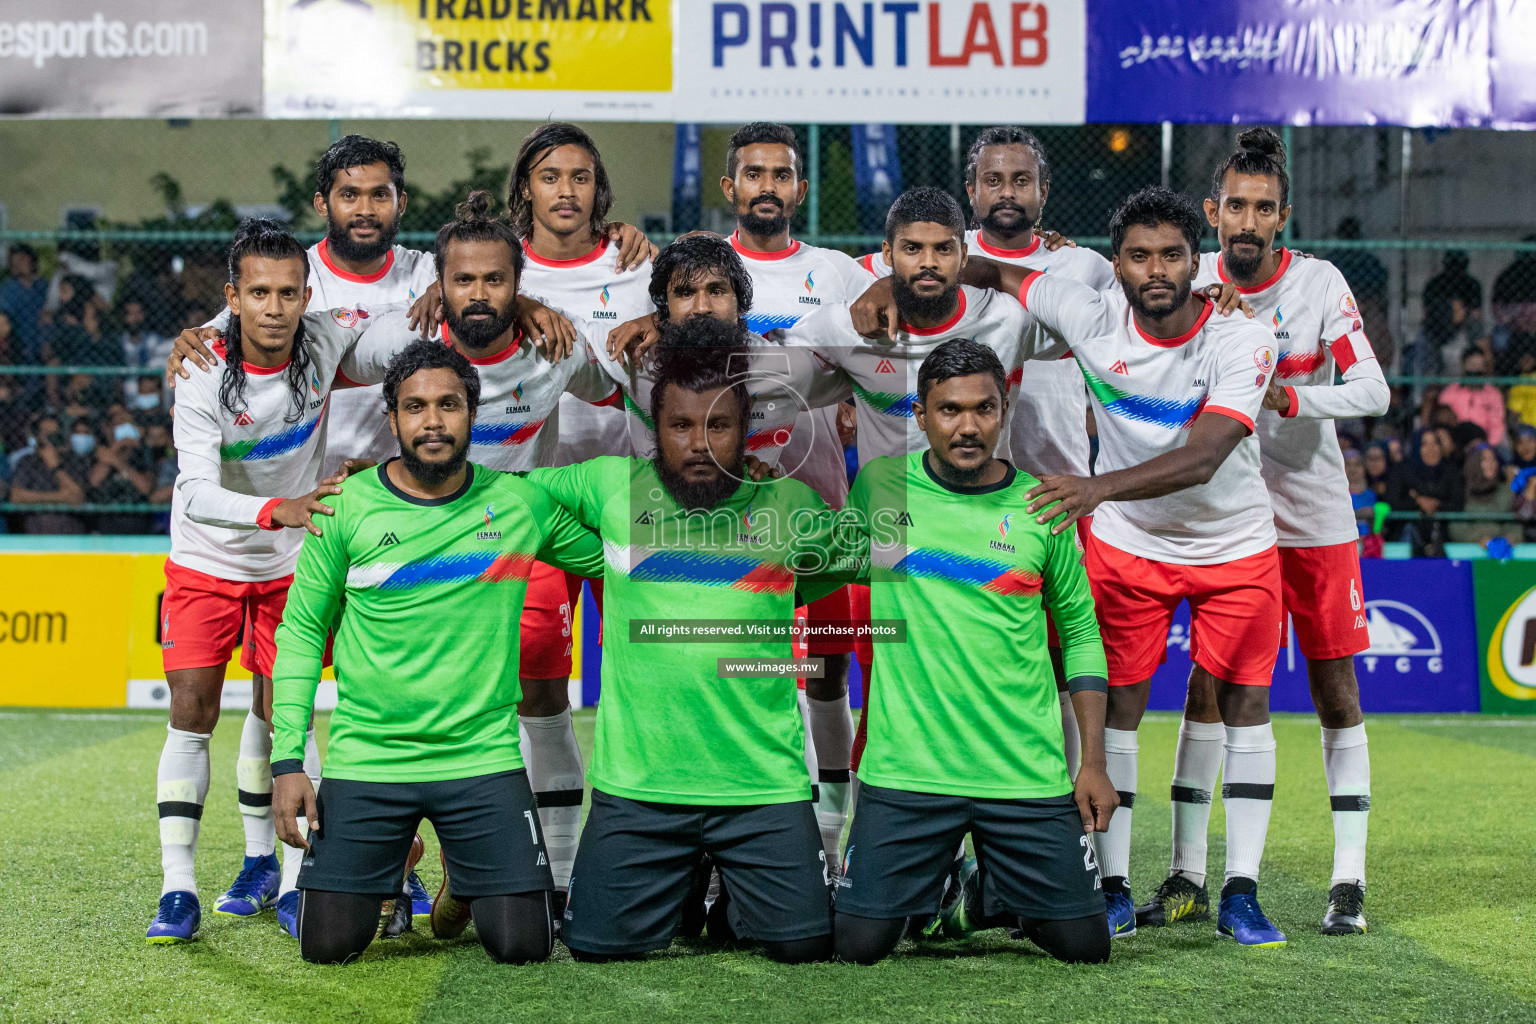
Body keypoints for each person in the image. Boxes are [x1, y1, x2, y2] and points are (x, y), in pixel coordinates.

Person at [980, 186, 1287, 946]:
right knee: (1118, 708)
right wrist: (892, 278)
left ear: (1198, 261)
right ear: (1114, 264)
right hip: (1130, 546)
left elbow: (1207, 454)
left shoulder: (1243, 340)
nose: (1157, 270)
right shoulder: (1085, 313)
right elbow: (996, 274)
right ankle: (1110, 885)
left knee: (1245, 706)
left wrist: (1093, 489)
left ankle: (1240, 891)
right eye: (1140, 255)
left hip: (1234, 546)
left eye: (1173, 256)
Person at [268, 340, 606, 966]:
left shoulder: (519, 503)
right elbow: (301, 633)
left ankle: (466, 883)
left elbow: (618, 560)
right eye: (414, 407)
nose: (432, 422)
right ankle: (398, 860)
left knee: (525, 946)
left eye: (448, 405)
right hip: (370, 759)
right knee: (328, 946)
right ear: (391, 418)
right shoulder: (344, 507)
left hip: (481, 760)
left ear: (472, 414)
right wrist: (290, 758)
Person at [528, 319, 839, 965]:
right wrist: (601, 558)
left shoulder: (789, 503)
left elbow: (829, 569)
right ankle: (681, 878)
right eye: (679, 426)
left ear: (745, 428)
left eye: (718, 426)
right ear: (654, 428)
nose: (699, 444)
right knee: (593, 947)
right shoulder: (612, 486)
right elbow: (508, 498)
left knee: (804, 945)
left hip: (761, 788)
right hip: (639, 788)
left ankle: (725, 891)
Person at [1154, 127, 1387, 936]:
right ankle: (1185, 873)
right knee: (1208, 687)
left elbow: (1374, 392)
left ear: (1282, 218)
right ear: (1214, 213)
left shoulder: (1319, 285)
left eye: (1264, 208)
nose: (1247, 222)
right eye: (1235, 207)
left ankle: (1347, 880)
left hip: (1315, 517)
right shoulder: (1191, 280)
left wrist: (1294, 399)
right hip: (1228, 519)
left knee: (1334, 691)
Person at [826, 339, 1113, 966]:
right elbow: (831, 567)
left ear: (1004, 410)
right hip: (907, 771)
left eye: (983, 409)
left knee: (1085, 947)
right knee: (856, 945)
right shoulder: (879, 485)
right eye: (949, 410)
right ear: (922, 415)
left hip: (1022, 771)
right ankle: (937, 881)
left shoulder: (1044, 505)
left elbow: (1083, 635)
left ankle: (980, 889)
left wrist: (1093, 760)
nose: (967, 427)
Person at [145, 219, 388, 945]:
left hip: (289, 567)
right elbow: (191, 491)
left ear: (306, 295)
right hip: (207, 561)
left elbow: (403, 327)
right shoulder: (198, 368)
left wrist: (443, 292)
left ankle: (289, 881)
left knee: (285, 712)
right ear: (233, 298)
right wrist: (276, 508)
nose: (275, 307)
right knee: (192, 708)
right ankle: (177, 887)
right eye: (259, 293)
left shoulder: (326, 336)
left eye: (287, 292)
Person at [859, 127, 1117, 783]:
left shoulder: (1083, 267)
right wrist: (881, 288)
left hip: (1053, 496)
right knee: (907, 668)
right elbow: (862, 282)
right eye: (993, 180)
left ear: (1044, 191)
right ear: (970, 191)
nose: (1007, 192)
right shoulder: (937, 251)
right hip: (933, 500)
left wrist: (1210, 295)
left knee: (1055, 666)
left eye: (1021, 180)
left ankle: (1054, 811)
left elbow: (1138, 317)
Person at [711, 121, 874, 876]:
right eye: (754, 173)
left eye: (781, 173)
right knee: (745, 671)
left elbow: (927, 275)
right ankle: (743, 836)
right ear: (730, 188)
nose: (768, 185)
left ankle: (835, 840)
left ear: (800, 190)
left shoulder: (840, 273)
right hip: (725, 517)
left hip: (819, 505)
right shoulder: (702, 269)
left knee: (826, 673)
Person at [8, 413, 89, 534]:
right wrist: (61, 497)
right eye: (47, 434)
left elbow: (78, 499)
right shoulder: (28, 461)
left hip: (71, 538)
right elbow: (16, 497)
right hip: (37, 537)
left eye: (55, 434)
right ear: (37, 437)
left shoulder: (73, 461)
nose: (52, 439)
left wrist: (56, 467)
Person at [1386, 429, 1464, 553]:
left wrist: (1437, 504)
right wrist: (1416, 501)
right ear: (1416, 447)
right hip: (1406, 536)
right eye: (1424, 444)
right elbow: (1393, 504)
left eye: (1435, 443)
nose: (1431, 449)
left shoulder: (1450, 471)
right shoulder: (1402, 471)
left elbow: (1458, 504)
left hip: (1445, 538)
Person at [89, 419, 156, 534]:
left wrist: (116, 462)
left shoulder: (143, 454)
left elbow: (145, 488)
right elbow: (94, 481)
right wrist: (115, 448)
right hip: (106, 519)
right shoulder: (101, 453)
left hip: (137, 520)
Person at [1452, 443, 1520, 546]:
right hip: (1468, 553)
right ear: (1474, 463)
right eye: (1485, 459)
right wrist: (1478, 539)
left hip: (1501, 551)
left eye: (1493, 459)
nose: (1491, 463)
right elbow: (1454, 526)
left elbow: (1513, 524)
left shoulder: (1506, 491)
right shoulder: (1461, 490)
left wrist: (1511, 538)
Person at [1439, 349, 1508, 448]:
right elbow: (1442, 420)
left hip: (1484, 441)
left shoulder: (1493, 394)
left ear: (1484, 367)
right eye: (1472, 364)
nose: (1476, 369)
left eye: (1479, 365)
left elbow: (1496, 425)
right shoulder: (1450, 392)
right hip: (1456, 440)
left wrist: (1488, 445)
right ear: (1463, 366)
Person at [1, 244, 50, 362]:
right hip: (20, 346)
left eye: (22, 259)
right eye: (14, 260)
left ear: (32, 261)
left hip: (45, 342)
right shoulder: (8, 289)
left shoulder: (43, 286)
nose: (17, 264)